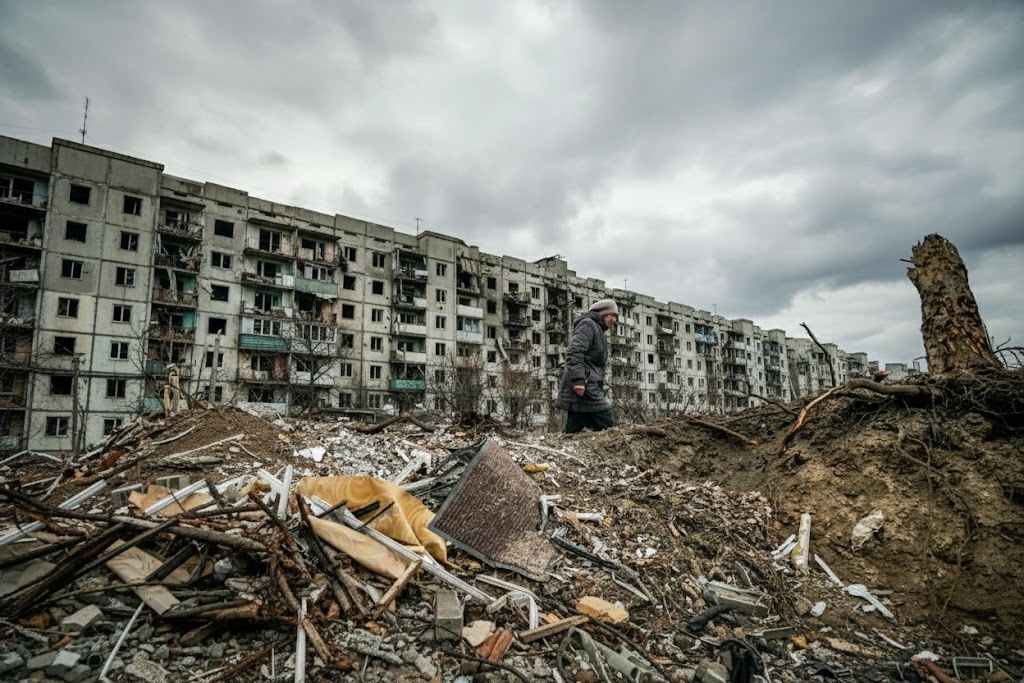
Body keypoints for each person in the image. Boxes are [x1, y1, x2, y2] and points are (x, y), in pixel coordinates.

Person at [553, 299, 618, 433]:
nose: (614, 320)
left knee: (574, 428)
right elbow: (574, 352)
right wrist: (578, 381)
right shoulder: (588, 325)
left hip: (588, 384)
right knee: (606, 422)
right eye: (612, 315)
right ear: (603, 313)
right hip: (585, 385)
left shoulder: (598, 330)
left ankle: (564, 450)